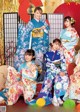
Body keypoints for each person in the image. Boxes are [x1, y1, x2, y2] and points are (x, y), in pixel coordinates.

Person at [14, 7, 50, 81]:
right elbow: (27, 32)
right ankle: (31, 77)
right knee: (34, 60)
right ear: (34, 13)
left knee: (40, 60)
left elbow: (47, 31)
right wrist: (37, 30)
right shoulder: (31, 22)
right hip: (34, 44)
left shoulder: (43, 22)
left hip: (41, 45)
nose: (38, 15)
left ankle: (38, 77)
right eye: (37, 13)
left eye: (40, 13)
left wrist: (44, 29)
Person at [37, 39, 69, 106]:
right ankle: (45, 98)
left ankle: (57, 97)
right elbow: (48, 64)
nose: (57, 46)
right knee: (48, 81)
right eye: (56, 44)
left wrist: (63, 71)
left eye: (58, 45)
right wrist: (58, 71)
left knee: (65, 78)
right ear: (52, 43)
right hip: (51, 71)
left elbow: (63, 63)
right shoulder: (47, 54)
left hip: (59, 71)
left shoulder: (60, 54)